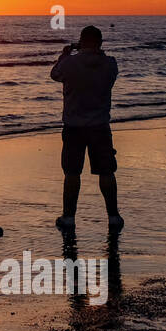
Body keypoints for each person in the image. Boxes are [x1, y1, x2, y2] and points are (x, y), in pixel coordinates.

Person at [50, 25, 121, 232]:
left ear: (81, 41)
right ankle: (113, 216)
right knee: (106, 171)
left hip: (74, 126)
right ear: (99, 42)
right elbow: (108, 75)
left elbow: (55, 74)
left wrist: (64, 56)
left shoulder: (70, 63)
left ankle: (69, 217)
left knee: (72, 172)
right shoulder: (110, 64)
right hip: (100, 125)